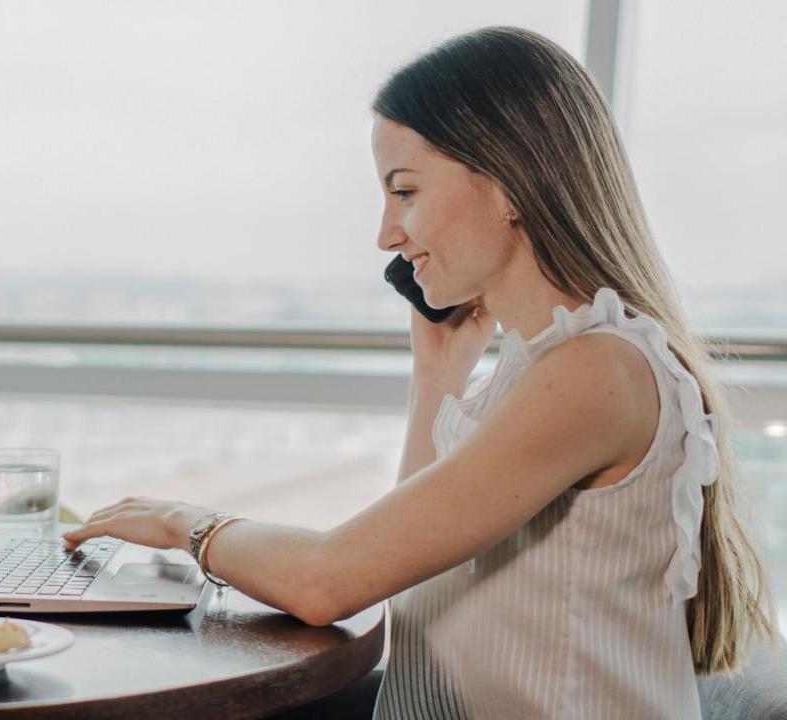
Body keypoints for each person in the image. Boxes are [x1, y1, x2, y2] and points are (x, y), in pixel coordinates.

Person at [60, 25, 778, 718]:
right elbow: (407, 569)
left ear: (508, 185)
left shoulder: (596, 372)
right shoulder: (537, 368)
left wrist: (180, 521)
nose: (385, 233)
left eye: (405, 191)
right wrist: (436, 373)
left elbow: (327, 580)